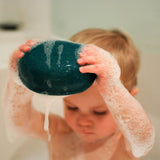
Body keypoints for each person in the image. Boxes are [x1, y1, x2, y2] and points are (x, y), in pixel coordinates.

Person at [4, 28, 155, 160]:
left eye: (99, 112)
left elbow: (144, 139)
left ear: (124, 101)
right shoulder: (59, 131)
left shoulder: (123, 142)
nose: (83, 121)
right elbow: (21, 123)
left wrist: (113, 87)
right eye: (72, 108)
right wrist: (19, 81)